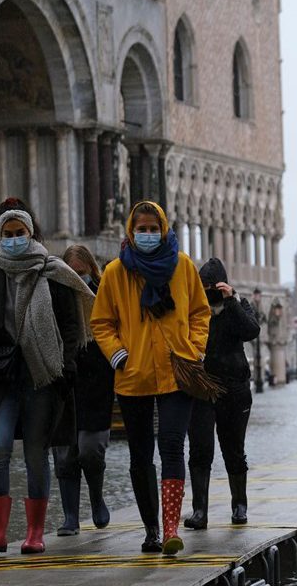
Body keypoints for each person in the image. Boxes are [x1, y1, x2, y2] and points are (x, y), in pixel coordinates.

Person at [0, 198, 93, 554]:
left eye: (20, 233)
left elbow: (68, 324)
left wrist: (64, 366)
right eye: (8, 234)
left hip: (43, 374)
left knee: (37, 452)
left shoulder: (52, 271)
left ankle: (35, 533)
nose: (14, 238)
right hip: (3, 373)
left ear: (30, 233)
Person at [91, 201, 211, 555]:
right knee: (140, 454)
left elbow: (200, 312)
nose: (147, 235)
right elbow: (101, 322)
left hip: (178, 370)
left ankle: (172, 527)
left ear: (164, 229)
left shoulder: (183, 266)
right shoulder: (115, 273)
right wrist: (118, 354)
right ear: (131, 230)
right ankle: (151, 529)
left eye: (152, 228)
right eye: (140, 229)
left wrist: (195, 348)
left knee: (172, 445)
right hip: (133, 373)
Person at [185, 258, 260, 530]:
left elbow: (251, 330)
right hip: (202, 388)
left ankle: (239, 505)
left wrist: (230, 302)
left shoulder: (238, 306)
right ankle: (199, 511)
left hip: (235, 388)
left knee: (234, 449)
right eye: (202, 288)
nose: (207, 293)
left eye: (211, 288)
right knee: (200, 449)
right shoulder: (195, 309)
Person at [51, 245, 115, 536]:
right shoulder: (55, 297)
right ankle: (70, 516)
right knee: (64, 453)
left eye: (82, 273)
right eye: (71, 274)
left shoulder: (103, 296)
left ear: (91, 270)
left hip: (96, 382)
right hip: (63, 381)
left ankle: (97, 497)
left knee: (90, 450)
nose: (77, 279)